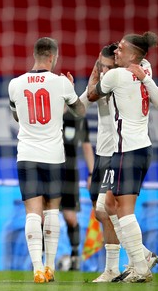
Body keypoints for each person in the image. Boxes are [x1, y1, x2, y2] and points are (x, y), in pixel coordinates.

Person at [87, 32, 158, 283]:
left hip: (126, 151)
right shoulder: (144, 70)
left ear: (133, 54)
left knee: (123, 210)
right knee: (106, 205)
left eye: (120, 49)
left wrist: (97, 72)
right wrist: (145, 79)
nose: (116, 52)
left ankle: (141, 267)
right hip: (141, 149)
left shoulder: (115, 75)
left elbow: (91, 95)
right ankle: (141, 257)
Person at [8, 37, 86, 283]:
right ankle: (51, 267)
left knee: (32, 212)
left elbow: (17, 117)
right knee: (53, 211)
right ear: (53, 57)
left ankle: (37, 269)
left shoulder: (15, 84)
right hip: (53, 156)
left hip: (27, 155)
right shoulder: (61, 83)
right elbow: (80, 111)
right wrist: (68, 93)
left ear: (35, 55)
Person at [58, 108, 94, 271]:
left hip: (69, 174)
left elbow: (86, 146)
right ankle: (41, 258)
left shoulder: (78, 117)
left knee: (70, 218)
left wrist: (92, 173)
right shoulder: (50, 113)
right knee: (44, 217)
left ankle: (74, 257)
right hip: (49, 171)